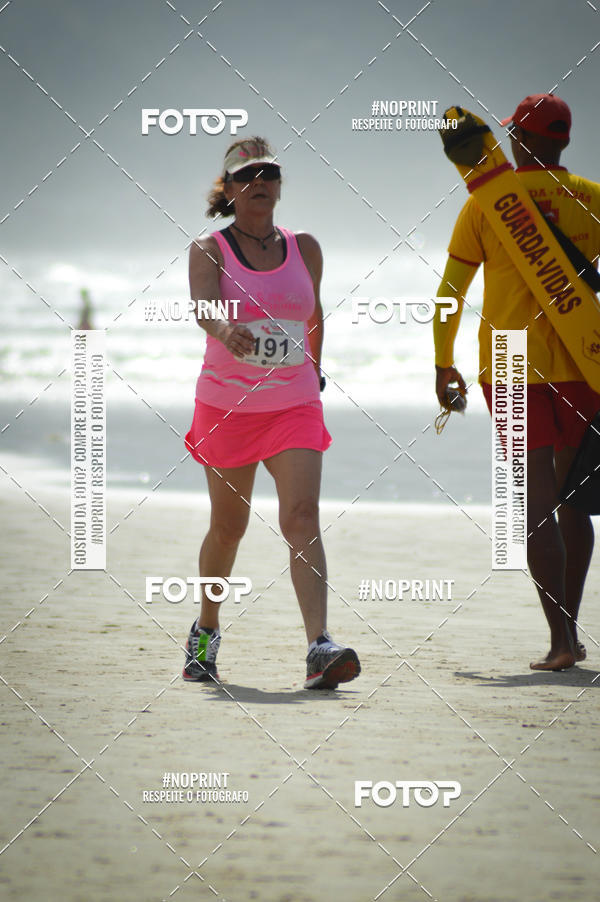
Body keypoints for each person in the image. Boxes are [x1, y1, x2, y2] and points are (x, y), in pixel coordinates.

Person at [182, 137, 360, 689]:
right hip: (228, 405)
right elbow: (204, 305)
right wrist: (223, 329)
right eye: (247, 175)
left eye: (269, 173)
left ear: (278, 185)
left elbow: (314, 314)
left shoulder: (305, 247)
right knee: (227, 529)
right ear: (230, 189)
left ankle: (319, 646)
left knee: (302, 515)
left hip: (294, 400)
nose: (260, 181)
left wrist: (317, 368)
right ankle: (205, 632)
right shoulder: (209, 248)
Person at [433, 94, 600, 671]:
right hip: (584, 360)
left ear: (524, 140)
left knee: (532, 505)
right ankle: (570, 636)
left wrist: (442, 363)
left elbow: (450, 293)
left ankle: (559, 639)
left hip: (509, 359)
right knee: (575, 502)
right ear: (565, 140)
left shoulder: (486, 203)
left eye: (514, 135)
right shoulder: (594, 199)